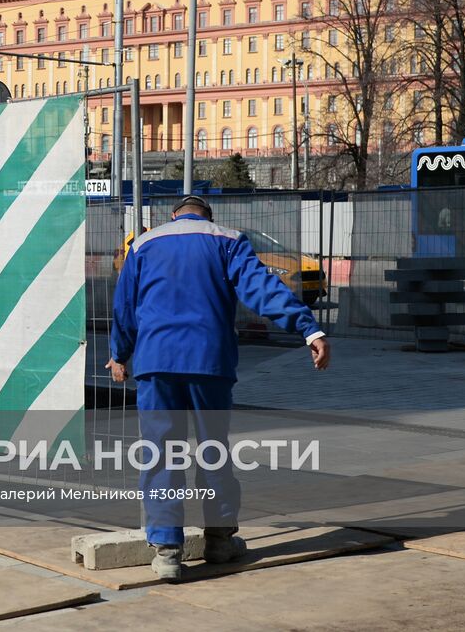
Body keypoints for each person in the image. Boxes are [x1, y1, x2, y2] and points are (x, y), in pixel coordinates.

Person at [108, 194, 330, 581]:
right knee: (213, 451)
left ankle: (167, 552)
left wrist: (119, 354)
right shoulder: (227, 240)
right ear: (207, 216)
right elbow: (263, 290)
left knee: (161, 453)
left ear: (174, 216)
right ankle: (219, 540)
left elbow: (125, 306)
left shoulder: (143, 244)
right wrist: (308, 328)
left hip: (156, 362)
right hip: (208, 361)